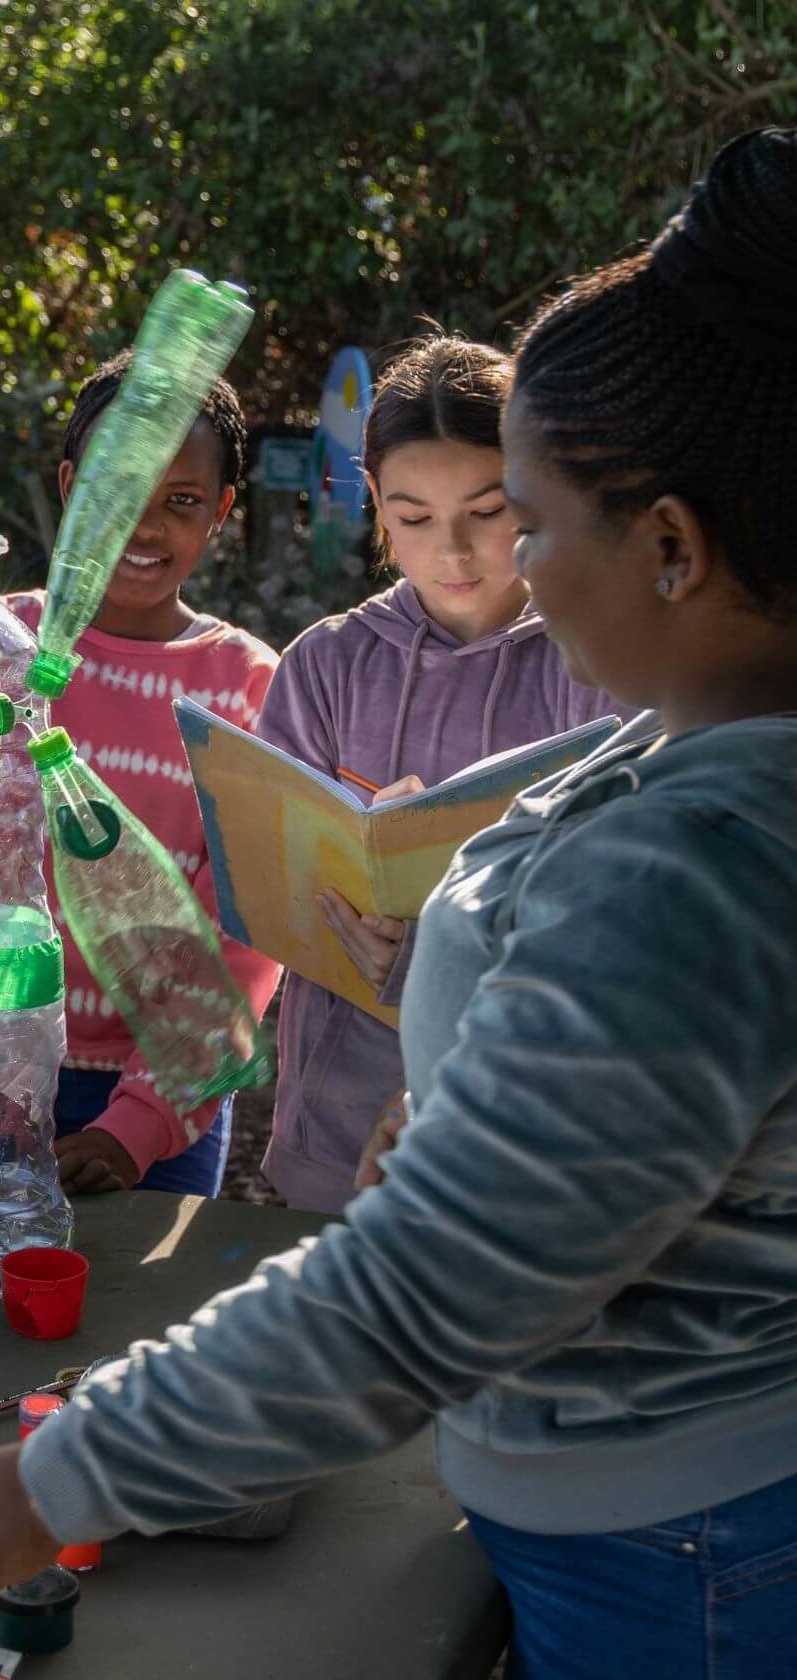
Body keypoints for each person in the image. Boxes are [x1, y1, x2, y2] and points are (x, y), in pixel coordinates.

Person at [0, 127, 797, 1680]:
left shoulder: (708, 851)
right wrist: (488, 1118)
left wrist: (35, 1488)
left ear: (671, 547)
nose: (504, 566)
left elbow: (418, 1301)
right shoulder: (689, 740)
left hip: (682, 1570)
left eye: (528, 524)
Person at [257, 332, 618, 1213]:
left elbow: (622, 918)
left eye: (487, 512)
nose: (452, 553)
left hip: (527, 1157)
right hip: (330, 1147)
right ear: (374, 504)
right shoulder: (326, 667)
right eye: (414, 518)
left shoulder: (600, 667)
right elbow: (270, 887)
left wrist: (438, 942)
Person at [5, 353, 281, 1196]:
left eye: (182, 502)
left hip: (169, 1104)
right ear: (67, 482)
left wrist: (142, 1123)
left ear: (222, 512)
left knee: (140, 1319)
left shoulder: (245, 687)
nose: (144, 525)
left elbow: (247, 936)